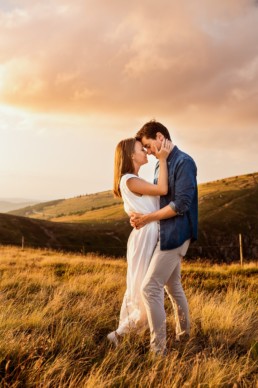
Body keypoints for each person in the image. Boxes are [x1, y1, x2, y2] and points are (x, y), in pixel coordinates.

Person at [130, 120, 198, 355]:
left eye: (148, 146)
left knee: (150, 288)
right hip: (166, 233)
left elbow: (180, 205)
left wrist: (148, 218)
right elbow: (160, 198)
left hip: (176, 235)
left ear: (160, 137)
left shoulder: (184, 162)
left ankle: (158, 351)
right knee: (173, 286)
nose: (147, 151)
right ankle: (184, 336)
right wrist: (140, 214)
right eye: (145, 149)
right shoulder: (162, 165)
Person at [107, 137, 172, 347]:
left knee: (145, 289)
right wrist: (162, 159)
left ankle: (124, 336)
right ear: (131, 155)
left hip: (147, 232)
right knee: (143, 291)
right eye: (140, 149)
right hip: (145, 236)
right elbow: (163, 190)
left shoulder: (133, 179)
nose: (145, 151)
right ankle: (119, 336)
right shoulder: (129, 180)